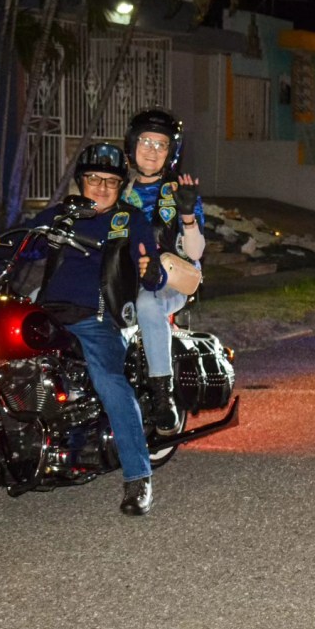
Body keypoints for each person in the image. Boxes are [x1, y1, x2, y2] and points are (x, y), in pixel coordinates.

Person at [26, 143, 154, 516]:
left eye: (111, 181)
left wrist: (150, 268)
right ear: (81, 181)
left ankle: (139, 476)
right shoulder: (60, 216)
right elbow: (16, 245)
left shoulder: (129, 220)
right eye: (94, 178)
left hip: (99, 318)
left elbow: (152, 267)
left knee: (109, 380)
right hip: (48, 314)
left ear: (120, 187)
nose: (101, 187)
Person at [122, 108, 205, 432]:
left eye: (161, 144)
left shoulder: (177, 191)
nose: (152, 150)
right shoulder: (118, 189)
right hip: (124, 278)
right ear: (132, 144)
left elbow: (196, 252)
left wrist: (188, 216)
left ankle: (163, 396)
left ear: (171, 152)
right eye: (146, 141)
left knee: (147, 304)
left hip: (171, 281)